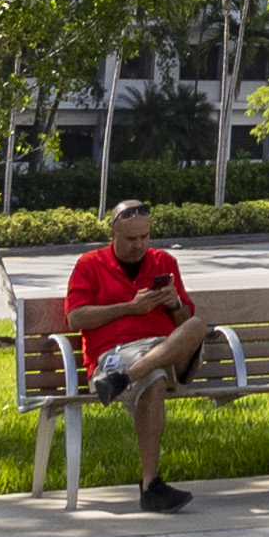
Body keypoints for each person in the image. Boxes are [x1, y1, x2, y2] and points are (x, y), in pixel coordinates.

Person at [58, 201, 206, 512]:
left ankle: (124, 380)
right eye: (130, 239)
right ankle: (151, 486)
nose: (139, 245)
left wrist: (175, 304)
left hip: (166, 353)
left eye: (145, 237)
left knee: (196, 325)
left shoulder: (163, 261)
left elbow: (183, 324)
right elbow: (76, 318)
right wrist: (130, 308)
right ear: (112, 233)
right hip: (115, 354)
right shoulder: (90, 264)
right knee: (154, 379)